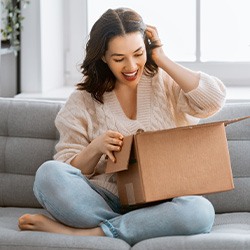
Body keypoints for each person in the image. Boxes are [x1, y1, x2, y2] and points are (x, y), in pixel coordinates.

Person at [18, 7, 226, 246]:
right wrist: (95, 148)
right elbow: (65, 167)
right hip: (102, 200)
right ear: (104, 57)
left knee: (200, 211)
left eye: (138, 53)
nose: (131, 66)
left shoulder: (164, 80)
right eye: (119, 59)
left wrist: (161, 58)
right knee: (48, 174)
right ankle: (134, 226)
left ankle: (91, 233)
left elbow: (213, 101)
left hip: (163, 201)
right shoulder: (82, 100)